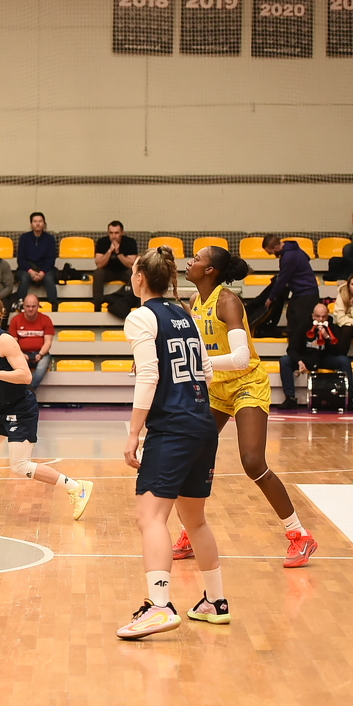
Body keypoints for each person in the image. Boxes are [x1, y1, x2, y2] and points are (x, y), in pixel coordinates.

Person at [117, 247, 228, 640]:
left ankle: (160, 606)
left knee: (150, 517)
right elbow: (207, 372)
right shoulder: (186, 313)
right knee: (194, 520)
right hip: (202, 423)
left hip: (173, 428)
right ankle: (215, 602)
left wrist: (134, 432)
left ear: (140, 278)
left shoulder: (140, 317)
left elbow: (148, 376)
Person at [183, 244, 318, 567]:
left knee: (253, 462)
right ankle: (191, 533)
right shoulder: (195, 301)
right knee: (190, 455)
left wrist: (201, 364)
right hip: (218, 387)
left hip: (246, 384)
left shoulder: (227, 301)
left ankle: (300, 535)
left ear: (210, 270)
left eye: (197, 258)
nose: (190, 261)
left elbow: (241, 359)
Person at [0, 291, 93, 518]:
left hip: (19, 408)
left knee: (20, 466)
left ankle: (77, 487)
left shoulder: (4, 340)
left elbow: (25, 376)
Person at [277, 301, 353, 412]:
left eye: (324, 317)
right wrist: (299, 361)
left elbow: (340, 351)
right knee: (285, 360)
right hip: (306, 358)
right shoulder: (303, 325)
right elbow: (291, 349)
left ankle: (349, 398)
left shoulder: (332, 326)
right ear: (313, 316)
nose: (320, 320)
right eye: (317, 316)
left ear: (328, 316)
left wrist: (327, 337)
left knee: (344, 360)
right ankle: (290, 398)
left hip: (325, 359)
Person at [257, 234, 320, 335]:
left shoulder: (288, 257)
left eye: (271, 252)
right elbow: (307, 258)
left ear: (276, 247)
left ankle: (298, 343)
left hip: (306, 293)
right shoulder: (294, 248)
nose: (272, 254)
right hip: (303, 291)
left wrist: (271, 298)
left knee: (300, 324)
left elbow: (282, 279)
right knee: (291, 314)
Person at [7, 294, 55, 392]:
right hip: (21, 353)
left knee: (42, 367)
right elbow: (13, 343)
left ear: (38, 306)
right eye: (28, 306)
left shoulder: (46, 320)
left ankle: (27, 390)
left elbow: (48, 342)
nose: (30, 309)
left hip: (41, 353)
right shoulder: (15, 320)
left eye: (33, 306)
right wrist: (21, 354)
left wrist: (40, 354)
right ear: (23, 306)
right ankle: (26, 392)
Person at [92, 220, 138, 311]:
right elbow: (99, 264)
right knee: (98, 273)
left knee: (134, 273)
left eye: (116, 233)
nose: (113, 236)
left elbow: (131, 264)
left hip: (124, 271)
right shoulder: (102, 242)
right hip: (108, 271)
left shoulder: (130, 242)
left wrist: (118, 253)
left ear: (122, 233)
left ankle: (130, 304)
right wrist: (109, 251)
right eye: (111, 233)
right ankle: (97, 304)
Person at [15, 213, 57, 308]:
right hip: (27, 268)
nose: (37, 224)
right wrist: (30, 271)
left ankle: (54, 305)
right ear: (31, 224)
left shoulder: (50, 239)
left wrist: (42, 272)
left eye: (40, 221)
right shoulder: (24, 238)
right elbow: (21, 259)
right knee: (24, 278)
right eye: (35, 221)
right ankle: (19, 303)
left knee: (49, 278)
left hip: (45, 269)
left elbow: (51, 259)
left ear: (44, 223)